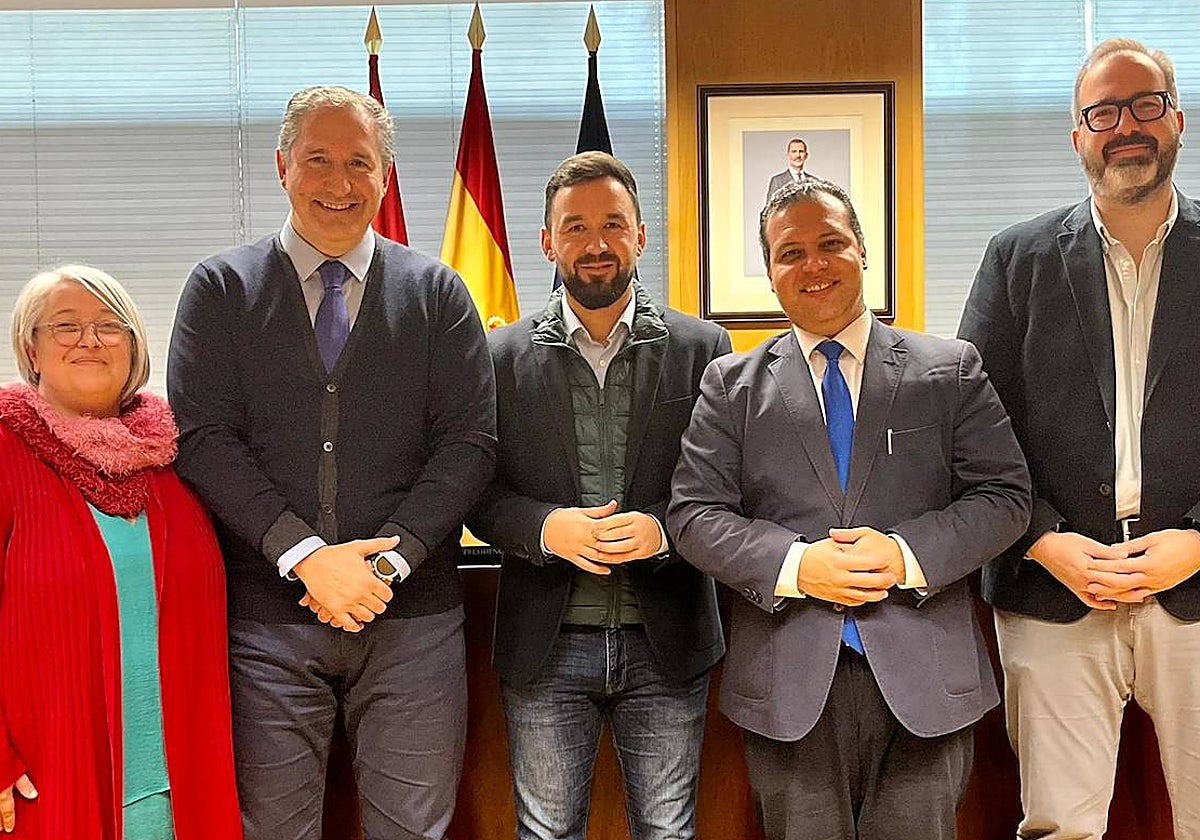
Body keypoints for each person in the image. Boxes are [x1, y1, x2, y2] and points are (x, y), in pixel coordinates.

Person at [167, 85, 496, 840]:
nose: (339, 183)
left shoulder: (439, 294)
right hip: (266, 622)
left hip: (412, 622)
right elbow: (204, 438)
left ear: (386, 175)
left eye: (360, 162)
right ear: (284, 166)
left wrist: (382, 568)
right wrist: (307, 556)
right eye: (318, 159)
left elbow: (469, 444)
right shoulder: (221, 289)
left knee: (414, 829)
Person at [669, 179, 1031, 840]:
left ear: (863, 250)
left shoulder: (948, 371)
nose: (814, 264)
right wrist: (797, 565)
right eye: (790, 252)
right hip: (787, 687)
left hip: (926, 683)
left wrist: (902, 553)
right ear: (771, 274)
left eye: (831, 243)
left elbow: (1005, 498)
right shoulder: (731, 386)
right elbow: (694, 516)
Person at [958, 38, 1200, 840]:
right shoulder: (1016, 259)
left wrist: (1197, 544)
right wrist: (1044, 540)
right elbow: (971, 429)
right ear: (1077, 136)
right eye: (1103, 112)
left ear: (1178, 119)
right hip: (1055, 591)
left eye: (1144, 105)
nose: (1124, 126)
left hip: (1198, 587)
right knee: (1060, 825)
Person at [468, 151, 730, 840]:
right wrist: (546, 528)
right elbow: (477, 491)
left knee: (669, 832)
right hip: (546, 645)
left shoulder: (704, 350)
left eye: (613, 223)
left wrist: (668, 530)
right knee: (547, 833)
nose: (596, 243)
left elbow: (729, 486)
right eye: (575, 226)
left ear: (641, 235)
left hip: (667, 637)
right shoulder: (497, 358)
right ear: (548, 242)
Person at [0, 265, 241, 840]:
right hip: (52, 781)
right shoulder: (6, 451)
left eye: (110, 326)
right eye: (64, 325)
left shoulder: (176, 459)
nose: (89, 339)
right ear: (31, 350)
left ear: (133, 349)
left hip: (182, 784)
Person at [766, 137, 817, 201]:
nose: (798, 155)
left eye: (801, 151)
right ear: (788, 155)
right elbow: (770, 209)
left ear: (806, 155)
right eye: (794, 151)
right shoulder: (777, 181)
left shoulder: (815, 182)